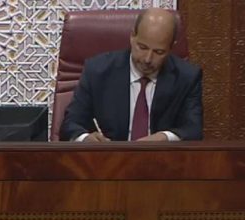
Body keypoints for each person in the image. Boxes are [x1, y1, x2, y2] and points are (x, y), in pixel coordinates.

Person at [59, 8, 203, 142]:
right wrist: (86, 139)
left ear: (171, 47)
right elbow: (70, 124)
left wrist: (165, 138)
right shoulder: (97, 71)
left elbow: (193, 129)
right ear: (132, 36)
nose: (148, 59)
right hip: (109, 158)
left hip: (162, 158)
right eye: (142, 47)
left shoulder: (187, 77)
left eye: (158, 52)